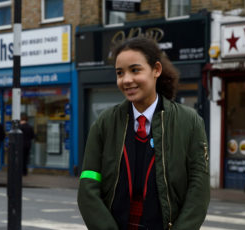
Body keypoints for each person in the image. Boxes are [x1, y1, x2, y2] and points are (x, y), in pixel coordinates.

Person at [77, 37, 210, 230]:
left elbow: (199, 189)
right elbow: (88, 185)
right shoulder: (104, 124)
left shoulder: (190, 122)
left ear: (156, 70)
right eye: (120, 73)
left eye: (135, 70)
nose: (126, 80)